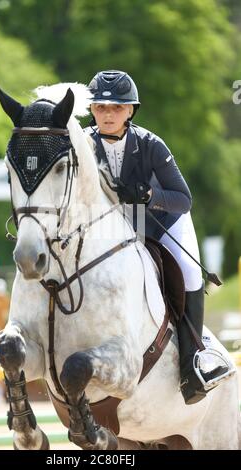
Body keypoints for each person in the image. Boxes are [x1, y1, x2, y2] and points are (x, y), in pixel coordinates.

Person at [85, 70, 231, 405]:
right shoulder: (82, 142)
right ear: (92, 110)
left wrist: (150, 194)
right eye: (101, 107)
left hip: (160, 222)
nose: (108, 114)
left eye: (116, 108)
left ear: (130, 111)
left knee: (191, 273)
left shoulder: (151, 145)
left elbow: (183, 198)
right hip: (110, 228)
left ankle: (195, 359)